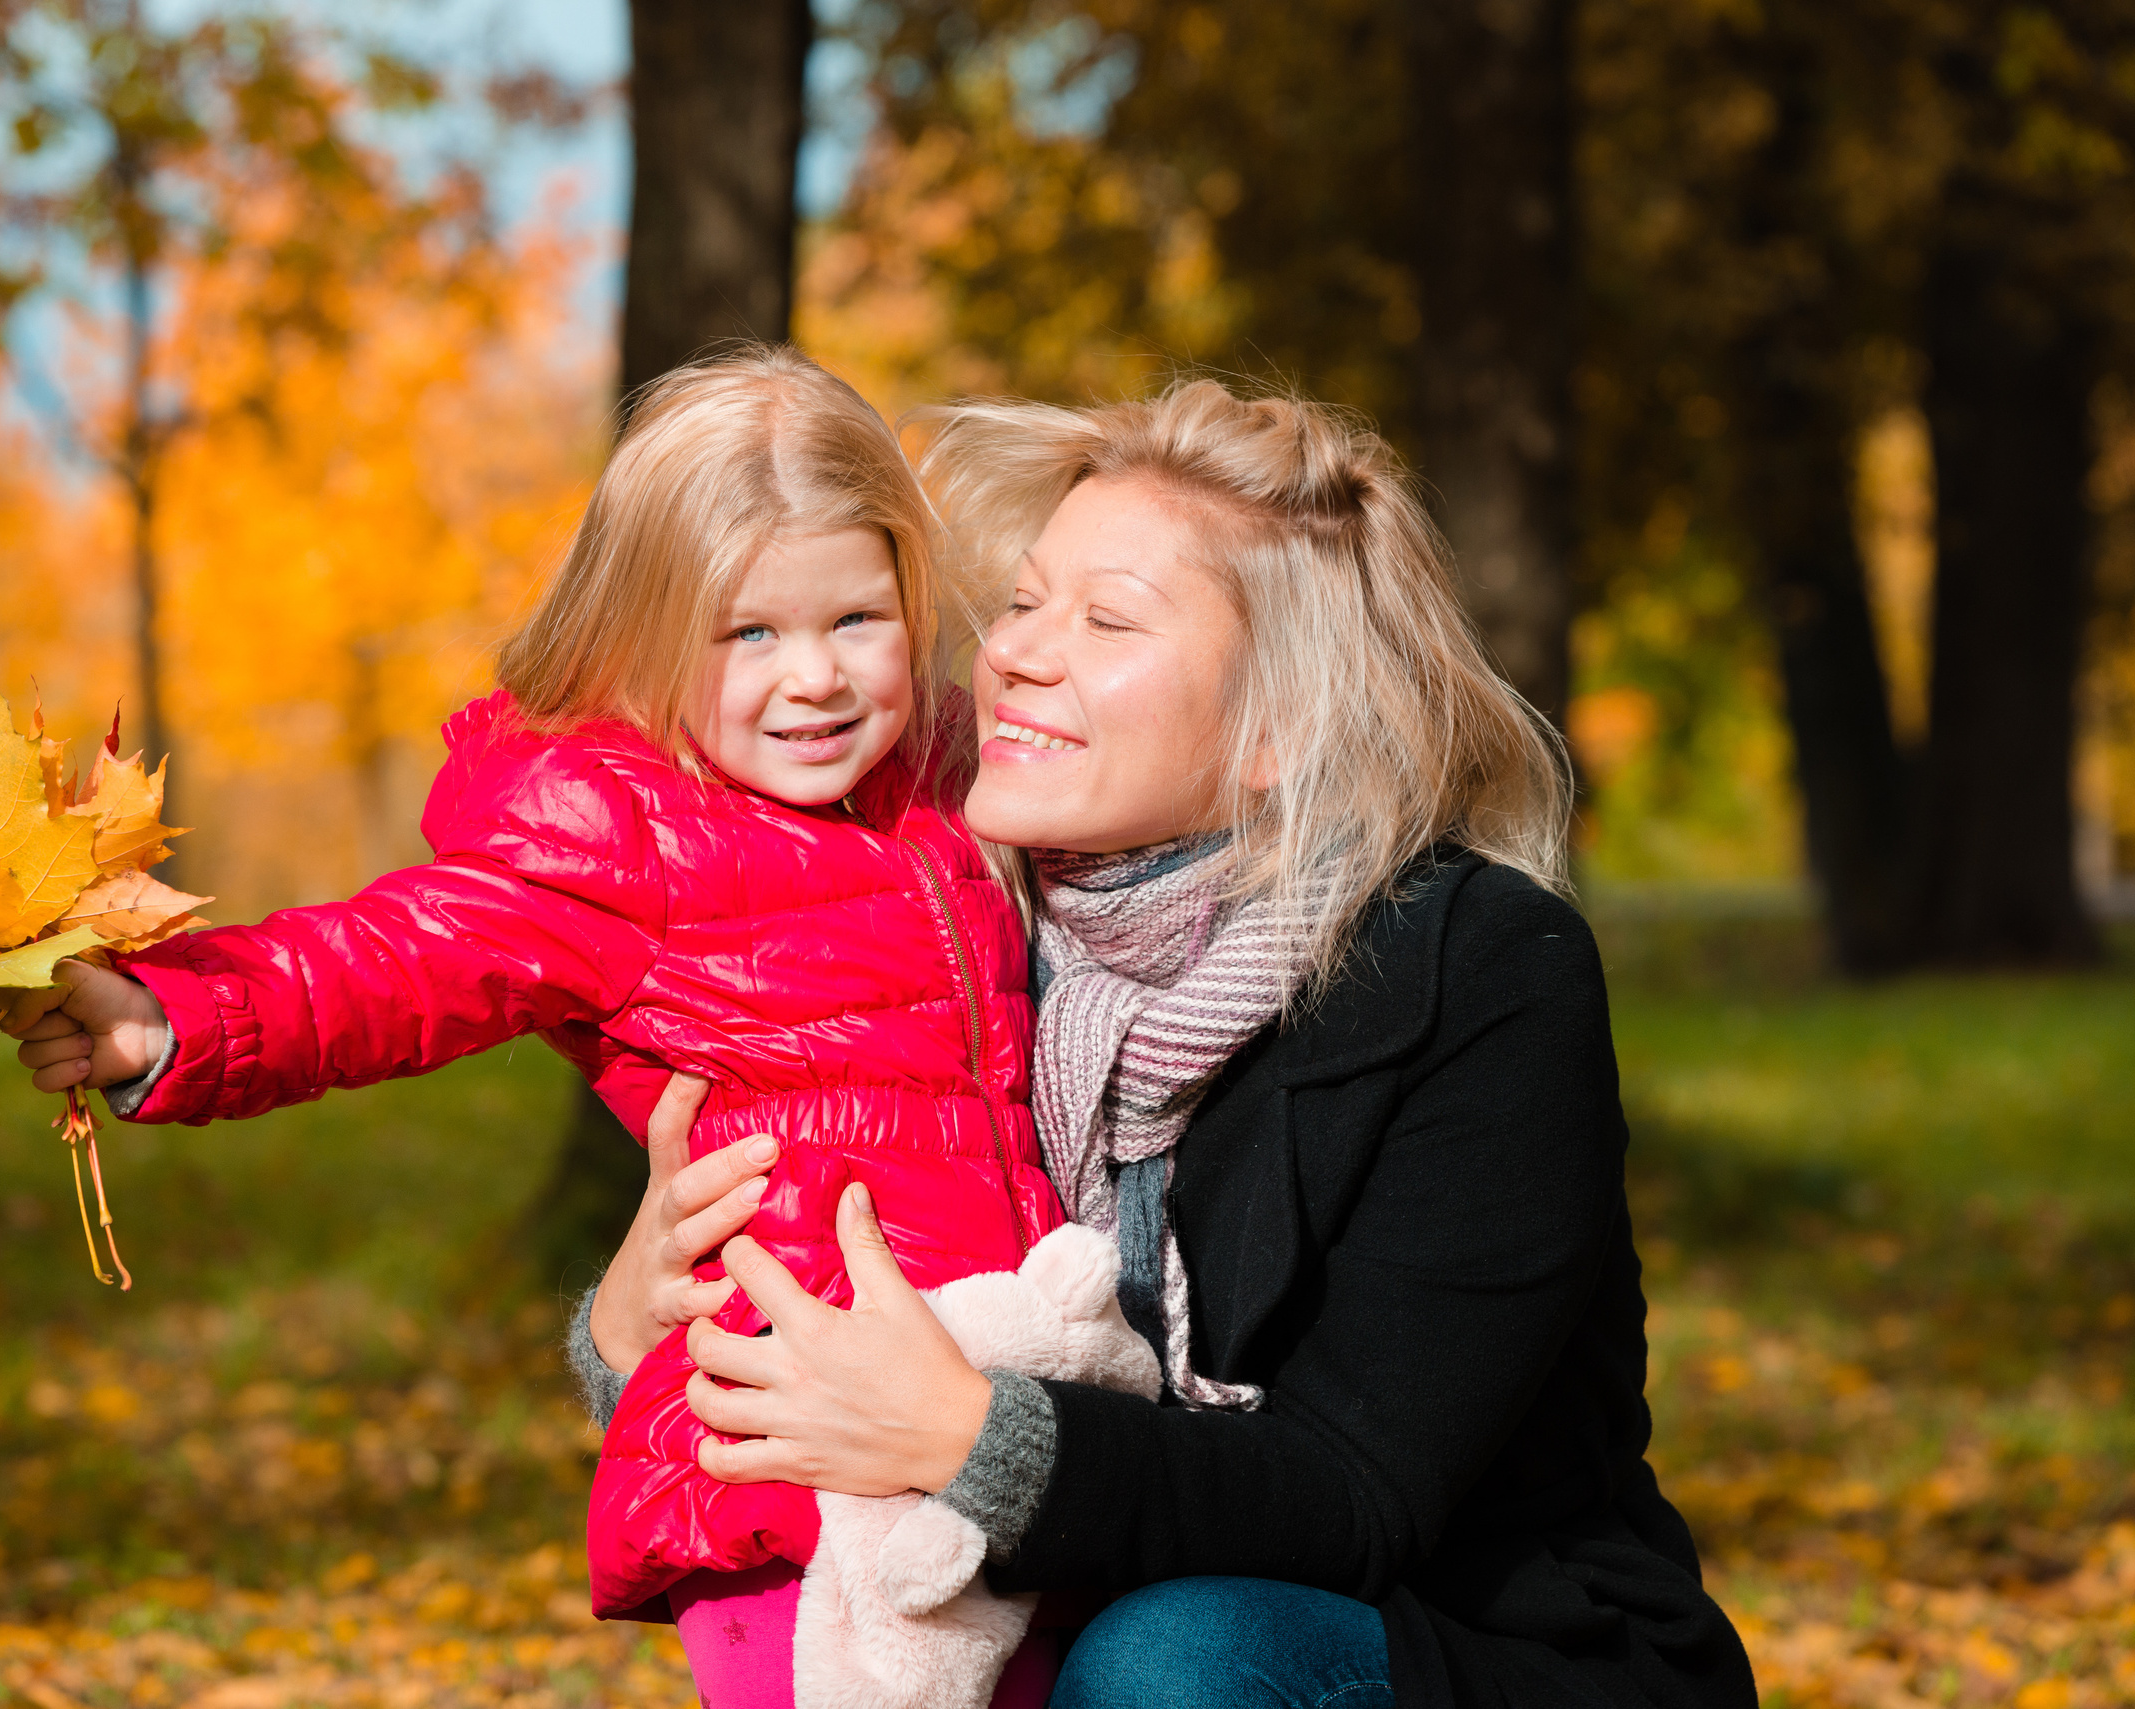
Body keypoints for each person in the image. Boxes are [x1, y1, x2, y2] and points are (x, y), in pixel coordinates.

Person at [583, 380, 1759, 1708]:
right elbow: (830, 1320)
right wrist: (632, 1327)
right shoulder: (969, 947)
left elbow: (1356, 1497)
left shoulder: (1480, 968)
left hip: (1452, 1649)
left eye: (1107, 620)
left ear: (1275, 731)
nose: (1017, 651)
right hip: (1082, 1610)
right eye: (1024, 601)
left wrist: (970, 1435)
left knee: (1172, 1661)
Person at [0, 347, 1072, 1706]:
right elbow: (393, 961)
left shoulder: (950, 780)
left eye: (856, 620)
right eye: (750, 633)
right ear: (645, 633)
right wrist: (174, 1022)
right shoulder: (618, 833)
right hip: (773, 1463)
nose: (815, 678)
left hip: (973, 1406)